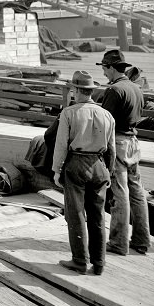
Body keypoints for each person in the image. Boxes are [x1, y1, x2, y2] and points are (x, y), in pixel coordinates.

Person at [52, 70, 116, 275]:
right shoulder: (107, 114)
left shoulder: (69, 113)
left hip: (76, 164)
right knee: (98, 215)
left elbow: (61, 145)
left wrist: (56, 170)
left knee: (76, 214)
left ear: (76, 90)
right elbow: (112, 149)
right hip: (99, 165)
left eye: (72, 89)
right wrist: (109, 173)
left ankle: (80, 261)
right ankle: (99, 263)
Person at [97, 49, 151, 256]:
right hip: (134, 143)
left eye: (103, 68)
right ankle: (141, 240)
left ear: (111, 68)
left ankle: (119, 243)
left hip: (117, 143)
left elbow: (106, 123)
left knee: (120, 194)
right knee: (137, 192)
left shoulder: (114, 91)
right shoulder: (136, 88)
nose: (103, 73)